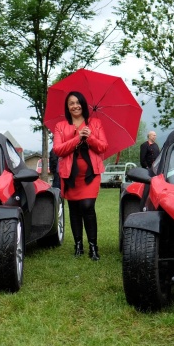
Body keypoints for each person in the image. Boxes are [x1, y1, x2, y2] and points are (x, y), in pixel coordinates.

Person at [52, 91, 108, 260]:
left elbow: (103, 147)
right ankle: (78, 246)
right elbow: (58, 150)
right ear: (67, 107)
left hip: (90, 174)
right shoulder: (60, 126)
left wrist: (89, 138)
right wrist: (77, 138)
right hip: (70, 175)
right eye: (71, 103)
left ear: (83, 104)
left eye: (78, 102)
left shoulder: (95, 123)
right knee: (74, 209)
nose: (75, 106)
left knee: (87, 206)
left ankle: (93, 247)